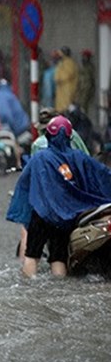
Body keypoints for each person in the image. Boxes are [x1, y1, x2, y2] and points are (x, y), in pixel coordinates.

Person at [6, 116, 111, 277]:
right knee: (58, 259)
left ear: (48, 135)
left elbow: (24, 186)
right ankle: (59, 287)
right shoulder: (79, 157)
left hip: (41, 215)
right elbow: (102, 175)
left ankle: (27, 288)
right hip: (65, 217)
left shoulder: (39, 157)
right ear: (70, 136)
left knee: (32, 256)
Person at [54, 46, 78, 113]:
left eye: (60, 53)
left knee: (66, 111)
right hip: (62, 92)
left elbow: (67, 75)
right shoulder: (62, 63)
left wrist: (58, 78)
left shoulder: (69, 63)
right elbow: (57, 75)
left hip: (67, 92)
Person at [75, 49, 96, 116]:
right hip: (81, 90)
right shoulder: (84, 67)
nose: (83, 59)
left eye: (85, 57)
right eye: (83, 57)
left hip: (86, 90)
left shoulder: (89, 67)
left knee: (84, 108)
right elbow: (80, 80)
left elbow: (89, 81)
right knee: (80, 107)